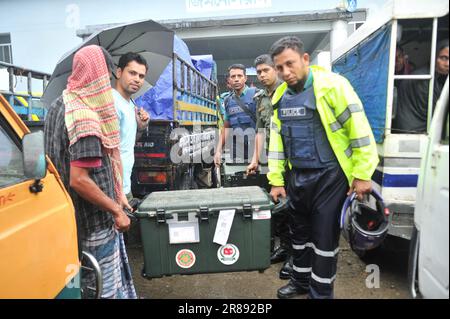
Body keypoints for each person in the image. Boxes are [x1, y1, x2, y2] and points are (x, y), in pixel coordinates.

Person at [268, 36, 378, 299]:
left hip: (330, 177)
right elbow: (276, 141)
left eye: (290, 64)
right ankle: (300, 283)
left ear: (305, 59)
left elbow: (359, 130)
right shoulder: (280, 97)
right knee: (299, 235)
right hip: (297, 178)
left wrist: (363, 174)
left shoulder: (333, 87)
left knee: (323, 240)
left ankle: (320, 292)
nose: (285, 73)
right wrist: (276, 179)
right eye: (279, 68)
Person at [44, 45, 137, 299]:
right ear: (97, 74)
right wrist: (116, 210)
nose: (107, 85)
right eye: (106, 76)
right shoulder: (85, 117)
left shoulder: (59, 104)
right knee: (103, 289)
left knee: (81, 285)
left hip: (70, 217)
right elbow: (80, 180)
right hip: (94, 221)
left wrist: (119, 196)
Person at [244, 54, 292, 278]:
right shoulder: (260, 99)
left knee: (294, 208)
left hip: (291, 161)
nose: (262, 75)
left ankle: (295, 256)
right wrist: (255, 159)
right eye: (259, 72)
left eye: (266, 70)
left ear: (276, 69)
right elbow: (260, 131)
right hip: (272, 161)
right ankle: (283, 248)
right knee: (276, 206)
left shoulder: (290, 90)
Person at [113, 52, 150, 201]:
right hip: (116, 189)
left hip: (125, 185)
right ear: (119, 72)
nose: (137, 79)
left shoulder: (130, 104)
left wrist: (140, 127)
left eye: (141, 76)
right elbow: (110, 152)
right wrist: (119, 191)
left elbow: (126, 142)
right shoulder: (113, 102)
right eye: (132, 73)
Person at [393, 39, 449, 133]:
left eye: (399, 57)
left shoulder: (439, 77)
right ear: (434, 58)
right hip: (413, 133)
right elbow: (437, 113)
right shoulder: (424, 78)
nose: (448, 64)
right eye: (444, 58)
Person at [214, 64, 257, 166]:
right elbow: (226, 127)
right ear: (229, 80)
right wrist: (218, 150)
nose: (236, 79)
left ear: (245, 78)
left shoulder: (257, 96)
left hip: (256, 149)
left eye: (239, 76)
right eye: (233, 77)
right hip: (236, 151)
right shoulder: (228, 100)